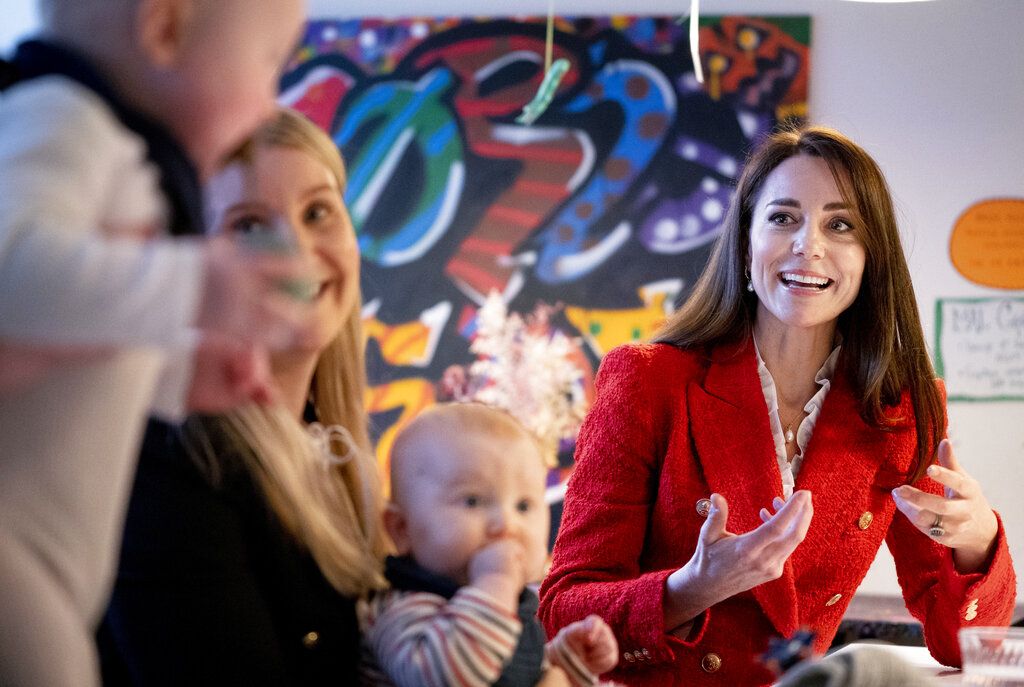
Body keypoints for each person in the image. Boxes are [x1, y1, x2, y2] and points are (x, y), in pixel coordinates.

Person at [537, 126, 1017, 686]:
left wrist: (979, 539)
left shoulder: (900, 409)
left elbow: (961, 644)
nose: (807, 245)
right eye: (783, 218)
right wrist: (694, 587)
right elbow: (561, 615)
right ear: (745, 245)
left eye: (840, 225)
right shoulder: (646, 380)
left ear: (870, 259)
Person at [0, 1, 309, 685]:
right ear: (164, 29)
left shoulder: (123, 158)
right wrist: (197, 285)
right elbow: (12, 275)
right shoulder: (59, 116)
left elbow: (76, 327)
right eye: (268, 64)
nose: (268, 105)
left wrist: (179, 369)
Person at [97, 107, 390, 685]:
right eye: (248, 225)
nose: (299, 253)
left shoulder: (333, 453)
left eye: (318, 212)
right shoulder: (172, 459)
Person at [363, 402, 620, 687]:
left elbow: (514, 672)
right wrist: (495, 583)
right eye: (472, 501)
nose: (505, 525)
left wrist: (569, 661)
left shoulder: (508, 601)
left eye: (523, 506)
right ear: (401, 530)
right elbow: (448, 677)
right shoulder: (401, 607)